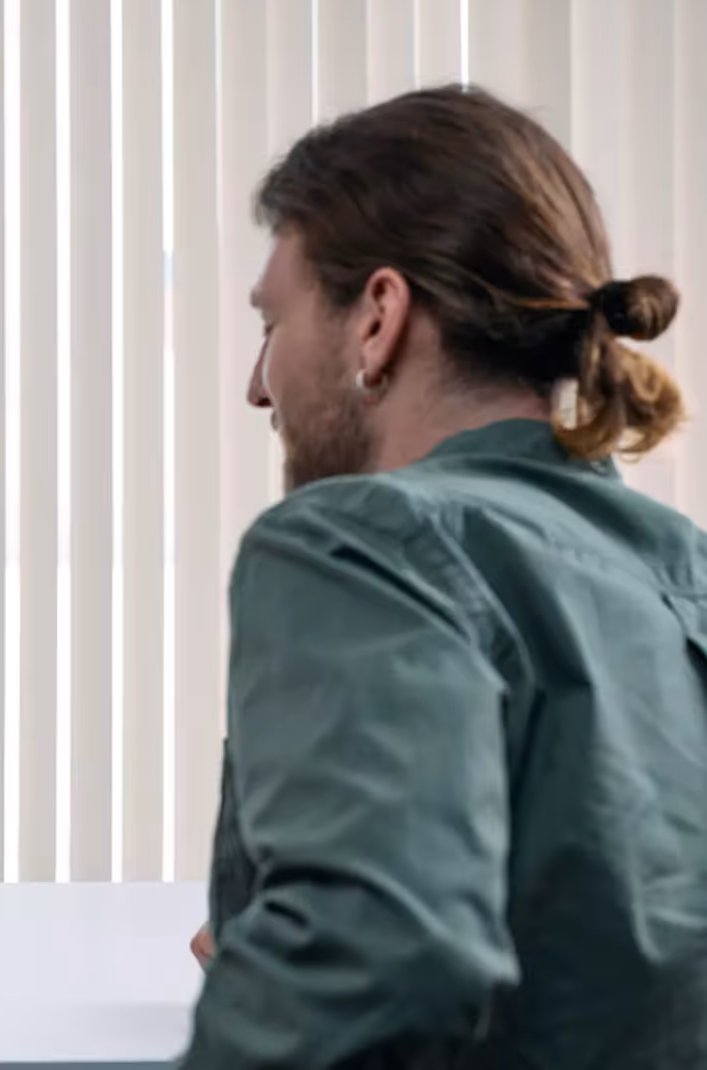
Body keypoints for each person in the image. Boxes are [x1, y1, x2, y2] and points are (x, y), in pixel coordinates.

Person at [185, 86, 707, 1067]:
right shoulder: (680, 565)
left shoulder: (356, 540)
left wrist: (302, 969)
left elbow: (377, 970)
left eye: (274, 322)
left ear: (377, 317)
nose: (259, 383)